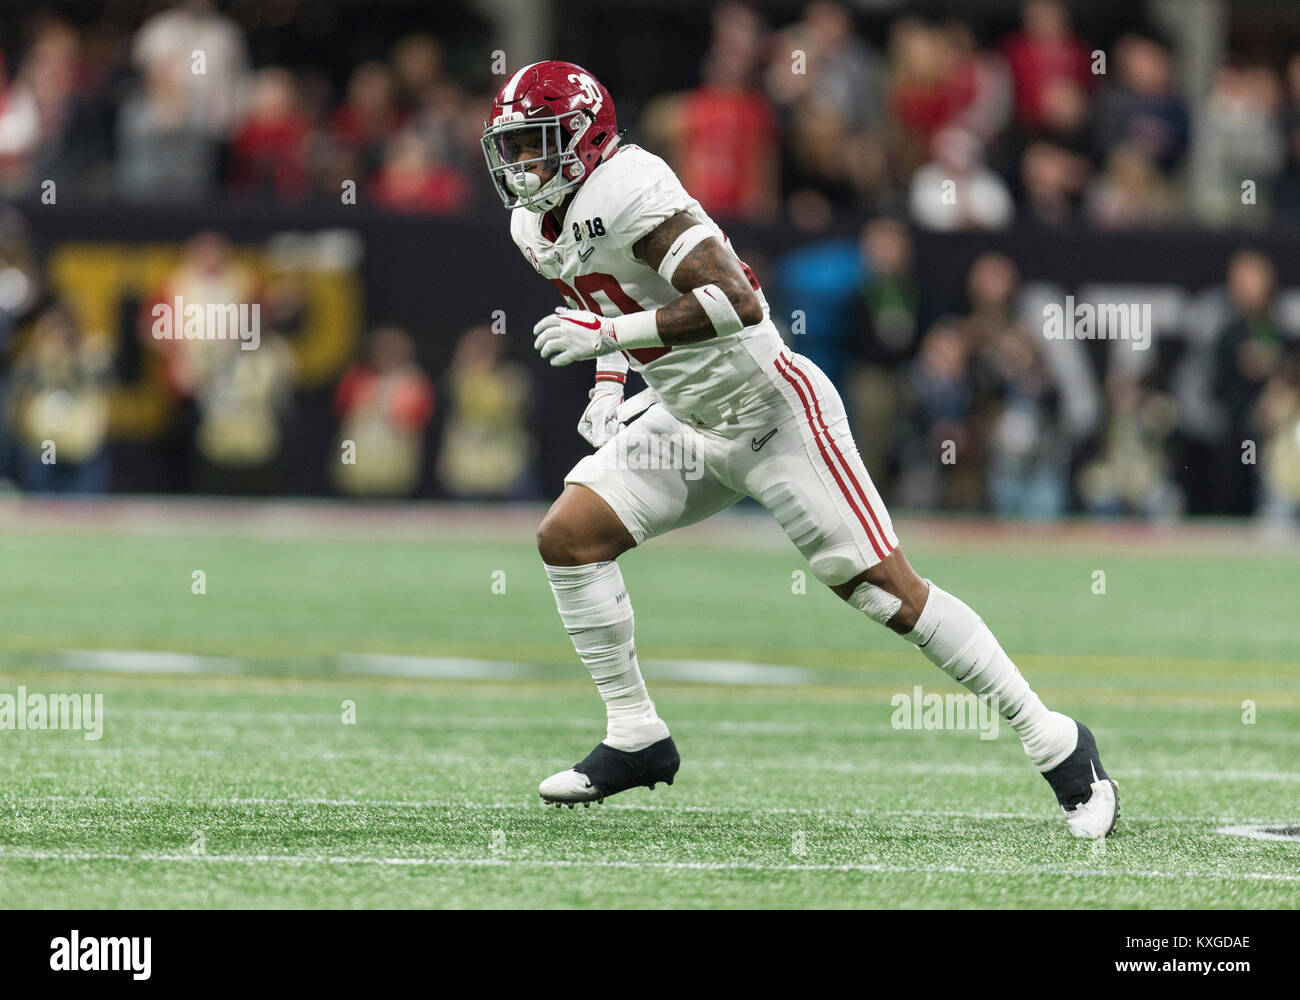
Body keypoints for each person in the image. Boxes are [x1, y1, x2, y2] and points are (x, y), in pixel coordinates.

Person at [480, 61, 1118, 837]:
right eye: (512, 149)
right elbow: (611, 293)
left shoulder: (629, 186)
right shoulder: (531, 225)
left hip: (770, 412)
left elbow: (736, 299)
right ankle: (636, 734)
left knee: (888, 595)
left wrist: (609, 340)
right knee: (568, 538)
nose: (521, 167)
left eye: (536, 146)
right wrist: (609, 387)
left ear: (586, 138)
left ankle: (1056, 742)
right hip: (685, 420)